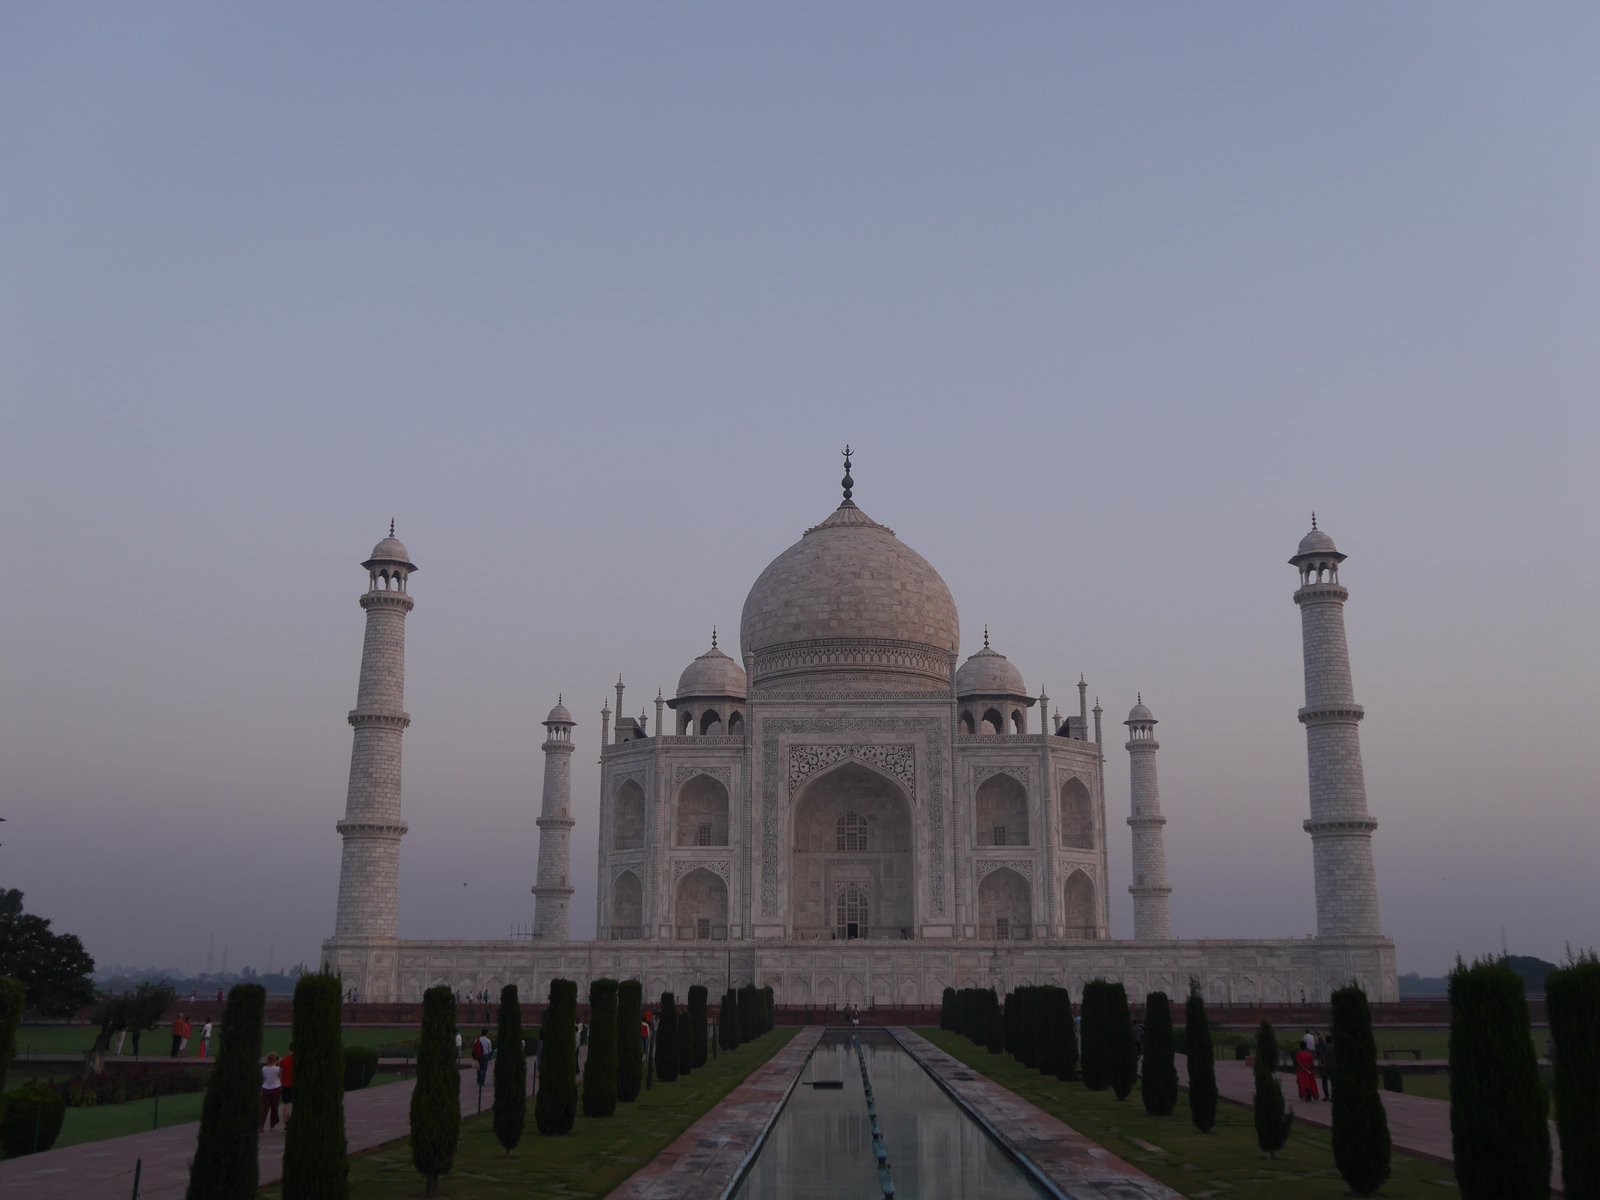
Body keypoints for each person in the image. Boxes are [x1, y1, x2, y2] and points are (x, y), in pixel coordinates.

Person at [260, 1052, 284, 1131]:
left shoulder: (264, 1068)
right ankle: (272, 1125)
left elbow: (263, 1077)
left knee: (264, 1108)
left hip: (266, 1089)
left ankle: (262, 1125)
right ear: (275, 1060)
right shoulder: (277, 1069)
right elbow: (280, 1076)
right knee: (274, 1108)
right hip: (275, 1089)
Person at [280, 1044, 296, 1120]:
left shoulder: (283, 1060)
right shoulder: (296, 1059)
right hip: (293, 1085)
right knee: (291, 1105)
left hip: (285, 1085)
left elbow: (280, 1073)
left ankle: (286, 1125)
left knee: (286, 1105)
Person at [1316, 1033, 1334, 1100]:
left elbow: (1323, 1058)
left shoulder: (1324, 1047)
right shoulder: (1334, 1047)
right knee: (1333, 1082)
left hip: (1326, 1067)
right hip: (1333, 1067)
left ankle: (1327, 1095)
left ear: (1326, 1040)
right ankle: (1333, 1095)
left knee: (1324, 1082)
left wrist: (1323, 1067)